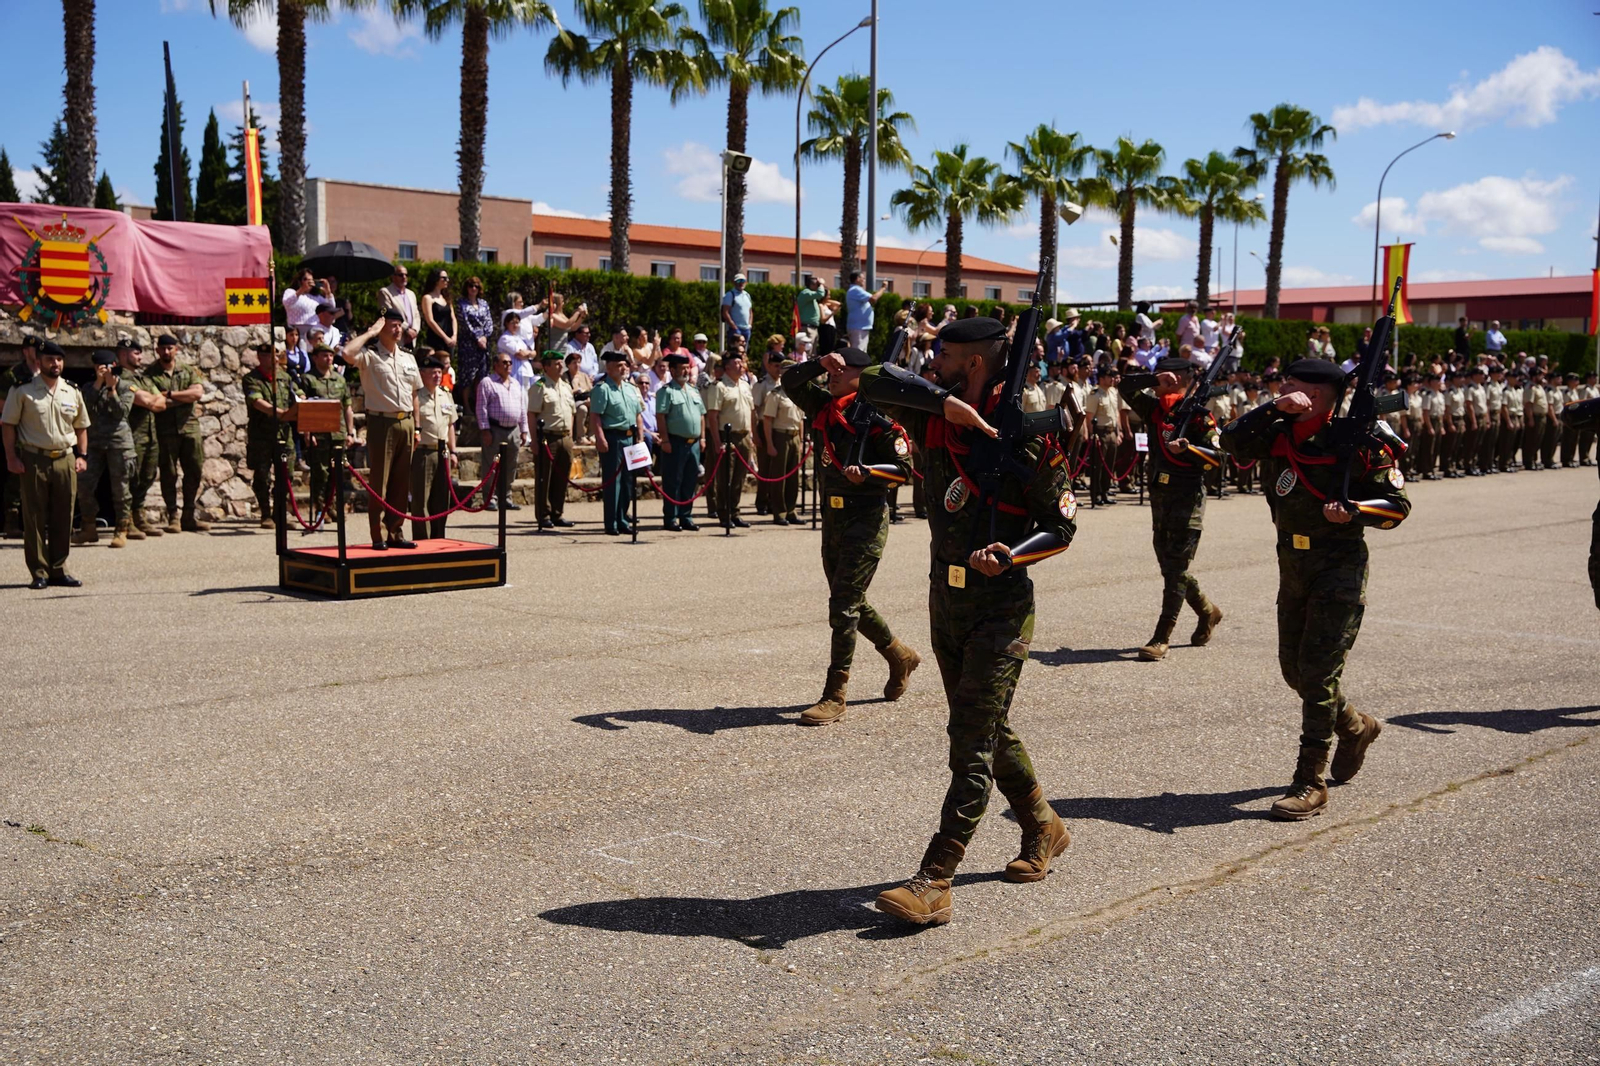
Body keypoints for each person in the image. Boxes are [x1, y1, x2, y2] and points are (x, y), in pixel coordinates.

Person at [857, 317, 1077, 926]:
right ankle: (1042, 825)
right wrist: (946, 403)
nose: (935, 359)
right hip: (944, 598)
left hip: (1001, 606)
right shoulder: (935, 416)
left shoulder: (1027, 438)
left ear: (975, 362)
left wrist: (1010, 552)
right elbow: (873, 379)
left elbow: (1060, 525)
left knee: (971, 742)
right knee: (985, 724)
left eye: (947, 354)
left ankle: (936, 879)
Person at [1218, 358, 1411, 821]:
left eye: (1293, 386)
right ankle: (1355, 727)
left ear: (1320, 395)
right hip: (1294, 566)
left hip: (1339, 568)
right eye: (1282, 384)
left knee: (1318, 674)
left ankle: (1310, 782)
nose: (1283, 390)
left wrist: (1356, 509)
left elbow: (1397, 505)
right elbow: (1230, 441)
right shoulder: (1278, 430)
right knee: (1295, 672)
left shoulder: (1357, 441)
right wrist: (1272, 406)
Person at [780, 345, 919, 725]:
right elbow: (789, 379)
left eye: (845, 367)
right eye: (834, 367)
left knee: (843, 605)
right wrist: (816, 363)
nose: (836, 373)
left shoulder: (879, 420)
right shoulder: (824, 406)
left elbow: (904, 470)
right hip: (834, 517)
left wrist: (870, 473)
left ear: (864, 373)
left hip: (867, 518)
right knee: (850, 599)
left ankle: (835, 693)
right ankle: (899, 655)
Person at [1120, 357, 1226, 662]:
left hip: (1187, 498)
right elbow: (1126, 386)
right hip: (1161, 499)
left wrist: (1189, 448)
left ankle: (1161, 636)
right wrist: (1153, 381)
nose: (1164, 380)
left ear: (1182, 378)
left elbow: (1218, 458)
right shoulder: (1155, 409)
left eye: (1170, 375)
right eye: (1161, 374)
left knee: (1176, 570)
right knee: (1171, 568)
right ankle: (1208, 611)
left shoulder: (1197, 417)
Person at [2, 340, 89, 588]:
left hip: (65, 459)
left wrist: (82, 456)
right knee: (34, 516)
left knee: (64, 516)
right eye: (50, 359)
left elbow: (81, 426)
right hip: (33, 459)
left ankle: (59, 570)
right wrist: (11, 457)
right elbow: (8, 425)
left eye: (59, 360)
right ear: (39, 362)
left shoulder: (72, 391)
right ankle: (39, 572)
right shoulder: (22, 390)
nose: (56, 364)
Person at [343, 309, 422, 550]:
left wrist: (417, 427)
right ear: (381, 327)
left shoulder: (408, 357)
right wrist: (370, 333)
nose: (397, 329)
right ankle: (376, 533)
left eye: (400, 325)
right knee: (380, 481)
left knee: (401, 481)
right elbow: (347, 353)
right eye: (392, 325)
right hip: (381, 423)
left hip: (406, 422)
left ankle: (395, 531)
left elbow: (415, 394)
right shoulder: (370, 355)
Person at [142, 334, 210, 533]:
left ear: (176, 350)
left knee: (194, 470)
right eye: (162, 348)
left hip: (189, 428)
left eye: (170, 348)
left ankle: (188, 515)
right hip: (165, 431)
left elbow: (197, 393)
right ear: (157, 350)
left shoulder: (187, 371)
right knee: (168, 474)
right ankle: (173, 515)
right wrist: (184, 397)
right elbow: (157, 401)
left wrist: (171, 395)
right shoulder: (150, 374)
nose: (166, 352)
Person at [73, 349, 137, 549]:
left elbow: (121, 413)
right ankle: (88, 527)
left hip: (119, 443)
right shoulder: (88, 388)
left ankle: (121, 529)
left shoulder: (127, 387)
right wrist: (99, 384)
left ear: (115, 365)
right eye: (99, 367)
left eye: (107, 367)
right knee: (83, 484)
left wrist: (112, 389)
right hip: (94, 443)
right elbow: (82, 408)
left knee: (120, 488)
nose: (103, 370)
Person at [298, 343, 356, 530]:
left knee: (337, 474)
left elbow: (347, 407)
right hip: (319, 434)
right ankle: (319, 510)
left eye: (330, 356)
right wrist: (307, 432)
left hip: (338, 433)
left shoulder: (339, 380)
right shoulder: (307, 379)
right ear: (315, 358)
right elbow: (304, 407)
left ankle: (332, 508)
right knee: (320, 474)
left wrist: (350, 431)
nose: (328, 359)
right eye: (324, 356)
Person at [243, 342, 300, 528]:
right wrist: (280, 413)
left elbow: (297, 395)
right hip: (262, 435)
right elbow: (256, 401)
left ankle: (279, 513)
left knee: (286, 475)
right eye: (268, 356)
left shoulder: (285, 377)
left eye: (275, 355)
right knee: (263, 476)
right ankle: (265, 513)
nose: (273, 359)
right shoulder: (251, 378)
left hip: (284, 433)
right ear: (260, 357)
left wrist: (303, 401)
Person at [590, 350, 645, 536]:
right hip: (613, 438)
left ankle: (623, 519)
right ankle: (611, 522)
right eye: (619, 365)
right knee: (613, 482)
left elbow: (638, 414)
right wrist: (600, 438)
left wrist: (640, 438)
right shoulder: (602, 388)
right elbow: (596, 416)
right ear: (610, 367)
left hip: (630, 437)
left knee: (628, 482)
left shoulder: (631, 388)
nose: (624, 368)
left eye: (625, 365)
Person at [115, 338, 161, 540]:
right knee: (130, 479)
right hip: (132, 436)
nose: (140, 357)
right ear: (123, 355)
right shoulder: (120, 378)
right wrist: (152, 400)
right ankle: (128, 521)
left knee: (148, 475)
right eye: (136, 353)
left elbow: (160, 403)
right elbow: (149, 400)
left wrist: (152, 400)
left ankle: (139, 515)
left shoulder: (143, 379)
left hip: (150, 435)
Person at [655, 352, 705, 532]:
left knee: (690, 481)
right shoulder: (666, 391)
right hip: (675, 442)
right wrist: (665, 440)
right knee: (673, 481)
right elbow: (660, 417)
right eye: (681, 368)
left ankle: (686, 516)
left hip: (694, 443)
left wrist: (703, 438)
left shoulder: (693, 390)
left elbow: (701, 415)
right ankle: (671, 517)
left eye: (687, 368)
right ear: (673, 370)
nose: (685, 371)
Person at [706, 352, 756, 529]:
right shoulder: (719, 387)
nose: (741, 365)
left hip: (743, 435)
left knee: (739, 478)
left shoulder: (745, 385)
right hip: (727, 435)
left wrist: (751, 436)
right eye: (736, 362)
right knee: (725, 476)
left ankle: (735, 512)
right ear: (726, 367)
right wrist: (717, 442)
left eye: (741, 362)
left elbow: (750, 413)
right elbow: (712, 417)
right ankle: (724, 513)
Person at [527, 351, 577, 530]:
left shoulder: (565, 386)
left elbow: (571, 412)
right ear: (546, 367)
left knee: (561, 477)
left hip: (564, 436)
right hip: (547, 437)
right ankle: (543, 514)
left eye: (560, 363)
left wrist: (570, 435)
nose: (560, 366)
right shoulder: (540, 386)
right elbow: (532, 414)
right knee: (544, 478)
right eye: (556, 363)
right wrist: (534, 440)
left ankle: (557, 512)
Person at [410, 355, 456, 541]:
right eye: (433, 372)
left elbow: (451, 425)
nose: (437, 376)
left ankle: (438, 537)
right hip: (423, 451)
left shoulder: (446, 394)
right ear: (422, 374)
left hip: (442, 450)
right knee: (421, 499)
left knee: (441, 499)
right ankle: (422, 538)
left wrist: (453, 451)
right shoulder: (416, 396)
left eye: (439, 372)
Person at [476, 349, 529, 512]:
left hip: (513, 430)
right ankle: (490, 498)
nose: (508, 365)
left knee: (510, 465)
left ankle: (506, 497)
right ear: (496, 365)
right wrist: (485, 430)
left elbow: (522, 409)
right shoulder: (487, 382)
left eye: (510, 362)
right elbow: (481, 408)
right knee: (491, 465)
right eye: (504, 362)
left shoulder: (516, 383)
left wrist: (524, 429)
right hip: (495, 429)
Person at [761, 358, 805, 525]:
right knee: (779, 477)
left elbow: (800, 419)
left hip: (794, 436)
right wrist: (770, 444)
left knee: (793, 477)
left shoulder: (798, 393)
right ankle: (779, 511)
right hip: (780, 436)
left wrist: (801, 440)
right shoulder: (775, 394)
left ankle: (791, 510)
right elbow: (767, 420)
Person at [1084, 365, 1130, 506]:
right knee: (1098, 465)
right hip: (1100, 432)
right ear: (1101, 378)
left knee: (1109, 465)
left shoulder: (1113, 392)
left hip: (1111, 432)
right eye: (1109, 376)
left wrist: (1119, 431)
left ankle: (1105, 491)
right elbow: (1090, 416)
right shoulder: (1095, 394)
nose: (1112, 379)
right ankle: (1096, 493)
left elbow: (1116, 414)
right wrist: (1092, 434)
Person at [420, 268, 458, 362]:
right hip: (436, 338)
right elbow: (430, 320)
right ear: (436, 279)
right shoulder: (428, 298)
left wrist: (454, 336)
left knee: (448, 364)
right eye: (444, 278)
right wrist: (444, 337)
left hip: (449, 338)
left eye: (447, 278)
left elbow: (453, 318)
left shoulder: (446, 298)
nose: (447, 280)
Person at [379, 265, 421, 347]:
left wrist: (415, 331)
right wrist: (407, 330)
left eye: (406, 275)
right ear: (393, 277)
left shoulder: (411, 294)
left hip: (412, 339)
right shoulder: (385, 292)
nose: (404, 277)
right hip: (397, 338)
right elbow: (387, 313)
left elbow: (416, 315)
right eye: (401, 275)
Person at [845, 271, 888, 351]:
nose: (864, 280)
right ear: (857, 279)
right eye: (863, 278)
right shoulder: (855, 290)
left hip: (860, 327)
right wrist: (883, 288)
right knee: (858, 353)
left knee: (861, 353)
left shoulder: (855, 290)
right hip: (858, 327)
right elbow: (873, 298)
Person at [565, 351, 594, 444]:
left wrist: (589, 397)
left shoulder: (584, 376)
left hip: (585, 399)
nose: (577, 365)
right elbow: (565, 392)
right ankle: (580, 437)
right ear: (568, 365)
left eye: (578, 362)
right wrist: (576, 390)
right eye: (574, 363)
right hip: (572, 401)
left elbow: (591, 390)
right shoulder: (565, 377)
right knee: (582, 409)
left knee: (595, 407)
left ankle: (592, 435)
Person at [281, 268, 322, 334]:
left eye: (311, 280)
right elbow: (287, 302)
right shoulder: (291, 292)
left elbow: (329, 308)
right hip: (296, 329)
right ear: (300, 281)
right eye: (305, 279)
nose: (308, 282)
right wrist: (301, 290)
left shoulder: (316, 296)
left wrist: (328, 293)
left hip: (313, 330)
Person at [720, 273, 754, 348]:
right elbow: (725, 312)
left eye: (742, 281)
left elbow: (750, 311)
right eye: (738, 281)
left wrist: (750, 325)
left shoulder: (747, 295)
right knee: (734, 350)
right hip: (735, 329)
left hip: (746, 328)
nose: (741, 283)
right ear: (734, 282)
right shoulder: (730, 294)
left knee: (744, 351)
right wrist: (734, 326)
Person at [795, 275, 827, 348]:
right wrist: (821, 283)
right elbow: (820, 294)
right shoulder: (806, 293)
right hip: (807, 328)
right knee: (807, 350)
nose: (819, 287)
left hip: (812, 328)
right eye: (817, 285)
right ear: (812, 285)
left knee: (812, 352)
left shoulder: (811, 297)